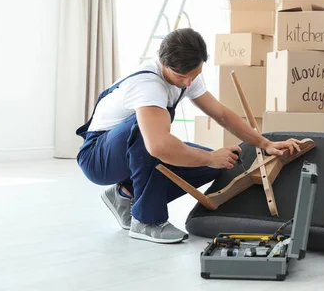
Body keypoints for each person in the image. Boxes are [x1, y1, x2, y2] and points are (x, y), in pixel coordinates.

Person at [75, 28, 303, 244]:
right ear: (163, 62)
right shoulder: (148, 85)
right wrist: (209, 157)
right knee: (151, 134)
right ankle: (147, 220)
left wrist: (264, 142)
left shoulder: (187, 75)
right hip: (99, 158)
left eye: (194, 75)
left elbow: (221, 114)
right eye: (182, 76)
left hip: (134, 149)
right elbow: (158, 147)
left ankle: (126, 195)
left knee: (222, 165)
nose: (188, 82)